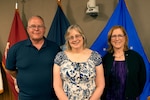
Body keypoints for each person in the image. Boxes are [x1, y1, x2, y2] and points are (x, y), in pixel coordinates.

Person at [6, 15, 61, 100]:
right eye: (33, 26)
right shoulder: (16, 48)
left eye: (40, 26)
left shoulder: (55, 48)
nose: (36, 29)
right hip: (26, 97)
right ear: (28, 29)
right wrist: (22, 77)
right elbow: (9, 69)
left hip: (51, 97)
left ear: (44, 29)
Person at [53, 24, 105, 100]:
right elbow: (57, 85)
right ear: (68, 40)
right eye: (71, 37)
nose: (75, 39)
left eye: (77, 36)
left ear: (82, 37)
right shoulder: (60, 57)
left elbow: (100, 85)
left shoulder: (95, 56)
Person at [101, 25, 146, 100]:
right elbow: (101, 81)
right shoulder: (106, 59)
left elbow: (142, 79)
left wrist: (134, 94)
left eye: (120, 35)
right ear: (110, 40)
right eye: (114, 36)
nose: (117, 39)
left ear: (125, 38)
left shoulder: (135, 57)